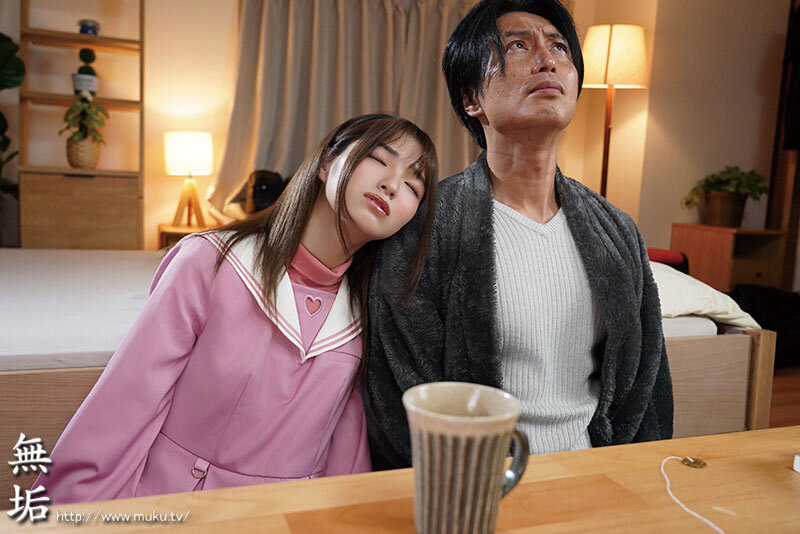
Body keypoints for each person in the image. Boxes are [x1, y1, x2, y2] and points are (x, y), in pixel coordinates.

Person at [34, 114, 438, 504]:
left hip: (290, 517)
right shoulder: (209, 263)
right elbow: (126, 404)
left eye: (412, 186)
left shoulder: (368, 315)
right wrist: (69, 514)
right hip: (178, 505)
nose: (391, 184)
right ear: (326, 162)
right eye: (379, 159)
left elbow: (345, 456)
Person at [364, 0, 673, 470]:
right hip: (477, 482)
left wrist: (630, 478)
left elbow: (646, 387)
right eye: (517, 46)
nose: (548, 60)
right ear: (472, 98)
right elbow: (401, 396)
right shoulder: (426, 228)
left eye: (559, 47)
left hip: (599, 476)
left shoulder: (616, 230)